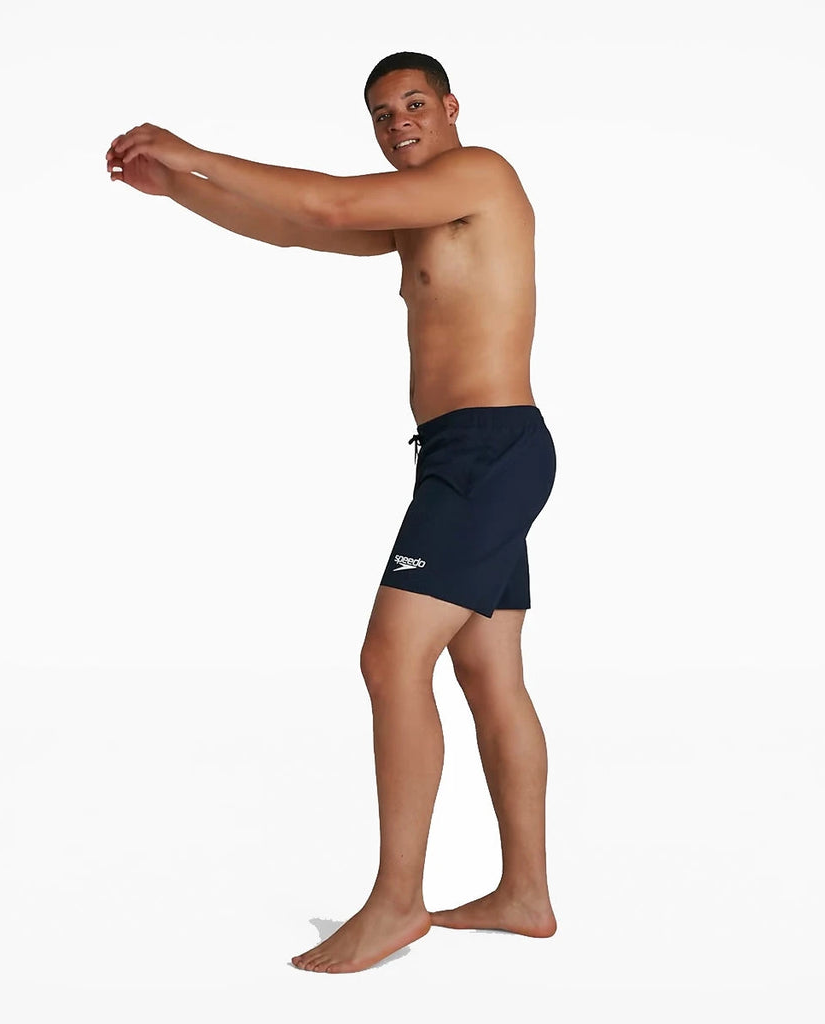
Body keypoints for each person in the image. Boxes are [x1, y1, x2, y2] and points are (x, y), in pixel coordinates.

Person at [105, 51, 557, 974]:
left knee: (391, 658)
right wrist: (177, 189)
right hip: (475, 457)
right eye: (382, 114)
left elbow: (329, 204)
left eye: (414, 104)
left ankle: (397, 904)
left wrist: (195, 151)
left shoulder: (480, 175)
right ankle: (525, 895)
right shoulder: (421, 213)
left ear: (452, 106)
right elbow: (294, 229)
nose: (399, 122)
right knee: (487, 672)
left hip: (486, 454)